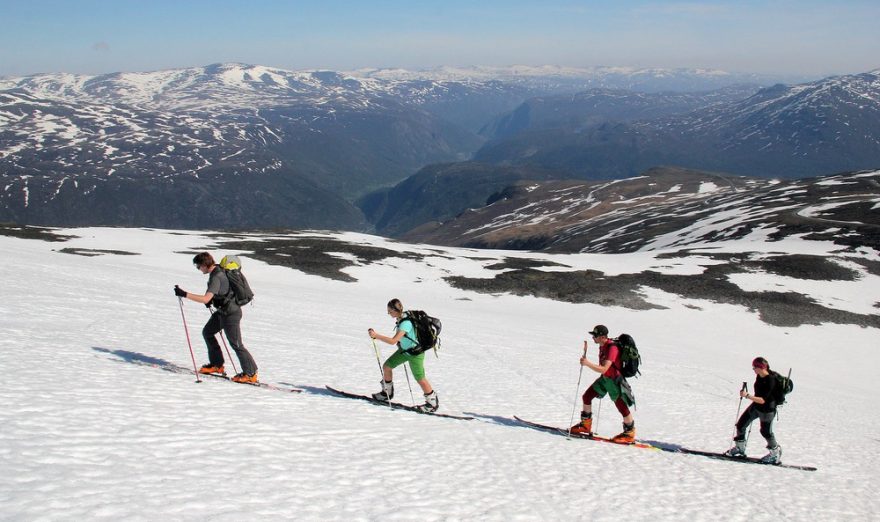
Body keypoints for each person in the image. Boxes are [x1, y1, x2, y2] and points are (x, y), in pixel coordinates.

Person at [174, 252, 259, 384]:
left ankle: (250, 373)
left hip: (231, 314)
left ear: (204, 264)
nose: (198, 269)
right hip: (222, 311)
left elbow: (205, 298)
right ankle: (216, 365)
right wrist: (213, 300)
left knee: (236, 343)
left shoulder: (216, 276)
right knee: (207, 332)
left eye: (198, 266)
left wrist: (184, 294)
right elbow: (222, 291)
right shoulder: (219, 271)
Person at [368, 298, 439, 413]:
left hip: (415, 354)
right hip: (405, 351)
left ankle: (432, 403)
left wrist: (376, 335)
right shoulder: (402, 317)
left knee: (420, 378)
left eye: (390, 311)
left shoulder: (405, 323)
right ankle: (387, 393)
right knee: (387, 366)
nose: (389, 314)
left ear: (396, 310)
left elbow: (392, 341)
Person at [570, 325, 636, 443]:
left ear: (602, 337)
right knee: (587, 396)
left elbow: (604, 369)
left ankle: (629, 433)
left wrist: (587, 363)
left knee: (621, 406)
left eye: (595, 336)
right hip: (605, 379)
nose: (593, 338)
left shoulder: (612, 348)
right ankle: (585, 425)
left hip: (613, 380)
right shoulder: (603, 346)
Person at [724, 357, 783, 464]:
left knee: (766, 432)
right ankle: (739, 449)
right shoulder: (759, 376)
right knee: (741, 425)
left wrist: (747, 395)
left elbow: (762, 400)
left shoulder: (770, 380)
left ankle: (775, 453)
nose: (753, 369)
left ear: (760, 367)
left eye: (754, 367)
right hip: (756, 406)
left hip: (767, 410)